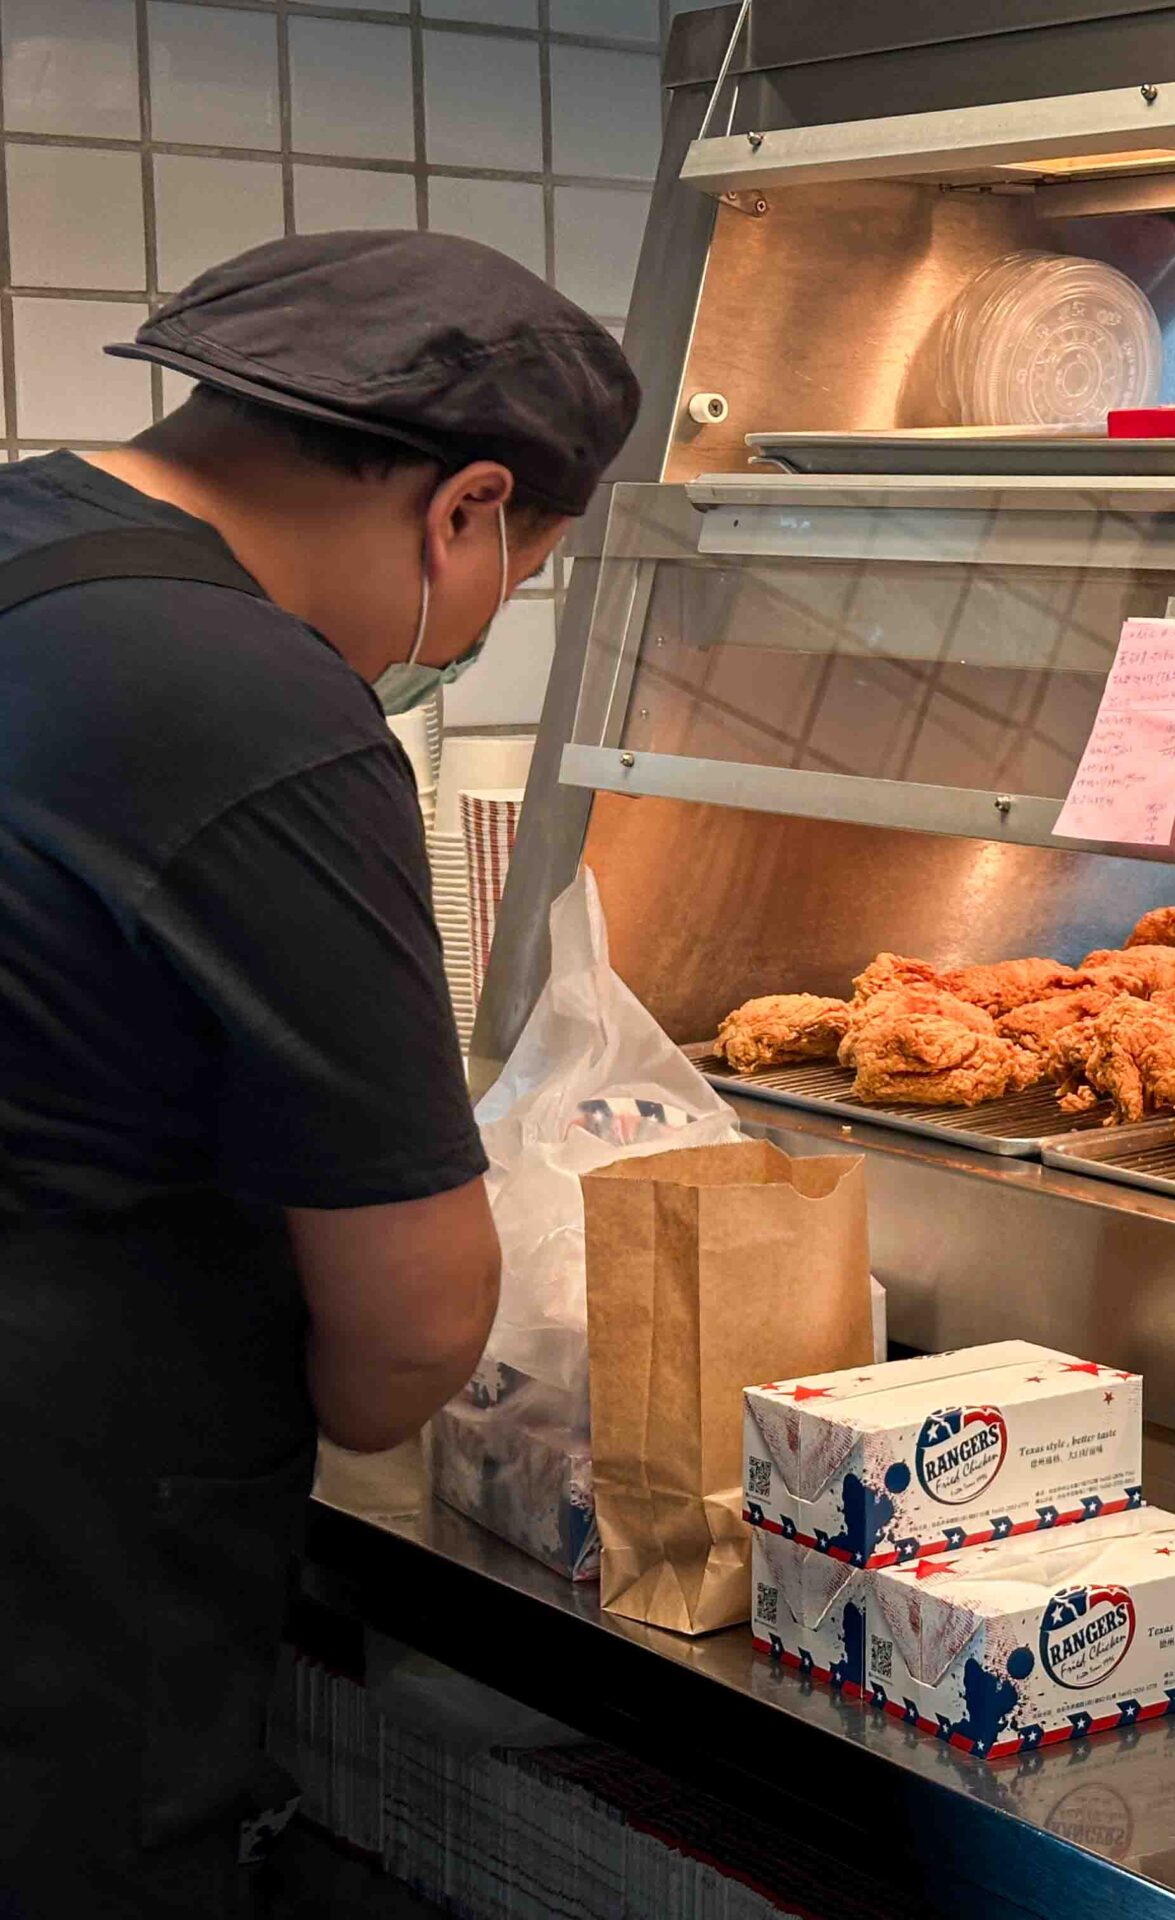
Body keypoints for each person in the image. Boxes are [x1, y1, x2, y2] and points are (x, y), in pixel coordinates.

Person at [0, 232, 641, 1917]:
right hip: (51, 1558)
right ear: (466, 510)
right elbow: (410, 1332)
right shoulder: (255, 706)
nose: (477, 626)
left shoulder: (26, 552)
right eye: (523, 573)